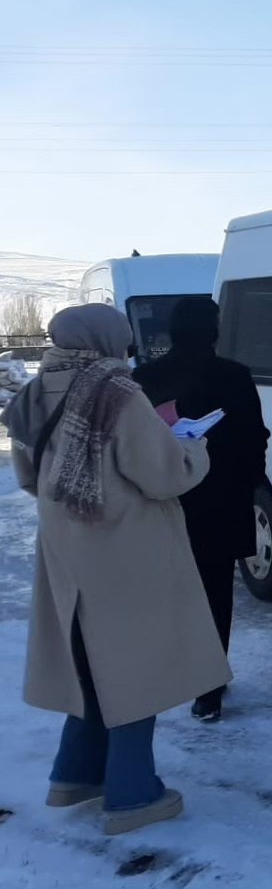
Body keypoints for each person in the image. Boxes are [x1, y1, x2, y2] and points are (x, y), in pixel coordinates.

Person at [1, 304, 230, 836]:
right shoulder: (117, 392)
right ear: (109, 340)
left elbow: (30, 477)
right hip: (126, 547)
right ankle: (132, 794)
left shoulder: (38, 390)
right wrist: (190, 447)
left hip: (66, 547)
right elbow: (162, 475)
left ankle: (75, 774)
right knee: (134, 666)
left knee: (87, 659)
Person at [133, 297, 269, 722]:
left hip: (160, 501)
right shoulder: (233, 375)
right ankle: (208, 687)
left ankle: (173, 671)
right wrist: (243, 483)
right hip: (220, 498)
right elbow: (254, 438)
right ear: (213, 329)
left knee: (168, 590)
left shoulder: (144, 377)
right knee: (214, 590)